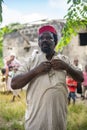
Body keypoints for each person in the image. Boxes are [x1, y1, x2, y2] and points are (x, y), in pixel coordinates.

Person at [11, 25, 83, 130]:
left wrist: (66, 67)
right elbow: (14, 84)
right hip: (36, 121)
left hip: (59, 118)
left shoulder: (64, 60)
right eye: (41, 38)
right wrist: (36, 71)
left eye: (48, 37)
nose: (44, 40)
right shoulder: (31, 61)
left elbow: (81, 78)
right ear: (39, 43)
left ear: (55, 41)